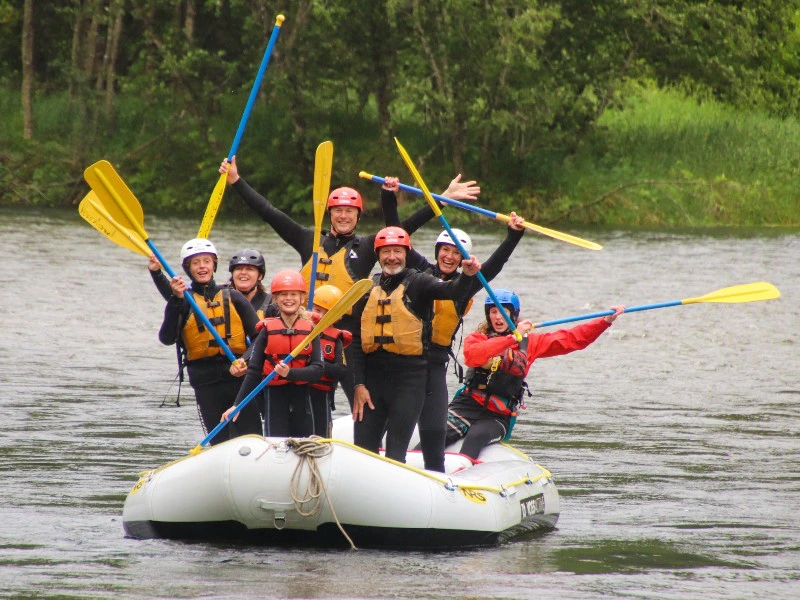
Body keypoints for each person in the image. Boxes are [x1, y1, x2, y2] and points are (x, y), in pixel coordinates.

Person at [219, 156, 480, 405]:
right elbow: (269, 213)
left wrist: (443, 199)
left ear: (358, 216)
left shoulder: (367, 246)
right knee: (296, 391)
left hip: (346, 336)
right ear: (330, 213)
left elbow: (403, 229)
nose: (344, 216)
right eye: (338, 211)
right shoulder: (307, 239)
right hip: (303, 330)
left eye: (350, 211)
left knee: (361, 396)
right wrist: (236, 180)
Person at [350, 226, 482, 464]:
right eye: (386, 251)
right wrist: (358, 384)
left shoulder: (420, 282)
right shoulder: (367, 289)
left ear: (406, 253)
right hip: (372, 381)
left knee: (395, 454)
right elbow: (356, 341)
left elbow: (453, 290)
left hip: (409, 382)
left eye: (397, 251)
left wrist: (468, 276)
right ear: (378, 255)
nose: (392, 257)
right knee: (363, 451)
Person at [406, 215, 526, 472]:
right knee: (412, 425)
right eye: (444, 251)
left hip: (436, 362)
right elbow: (398, 240)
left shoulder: (466, 284)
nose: (449, 257)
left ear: (462, 260)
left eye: (455, 253)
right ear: (437, 252)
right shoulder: (420, 272)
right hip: (408, 359)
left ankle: (450, 478)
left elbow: (494, 267)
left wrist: (513, 235)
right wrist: (389, 197)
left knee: (434, 429)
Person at [444, 289, 624, 459]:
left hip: (498, 415)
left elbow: (571, 339)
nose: (498, 317)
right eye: (493, 312)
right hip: (466, 405)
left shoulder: (531, 343)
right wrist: (512, 338)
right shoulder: (478, 338)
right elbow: (473, 356)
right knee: (436, 435)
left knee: (475, 438)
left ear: (513, 315)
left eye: (504, 311)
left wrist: (605, 321)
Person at [158, 238, 263, 444]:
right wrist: (175, 301)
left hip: (238, 378)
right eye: (195, 263)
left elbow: (261, 336)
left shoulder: (233, 296)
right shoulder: (183, 301)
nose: (202, 267)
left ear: (214, 264)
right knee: (220, 441)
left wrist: (246, 360)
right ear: (187, 268)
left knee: (252, 438)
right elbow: (166, 338)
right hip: (205, 382)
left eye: (206, 261)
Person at [222, 270, 324, 437]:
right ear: (275, 299)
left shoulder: (311, 330)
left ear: (302, 298)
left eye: (293, 294)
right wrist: (237, 405)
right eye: (283, 294)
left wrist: (290, 373)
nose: (288, 298)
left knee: (303, 443)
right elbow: (254, 370)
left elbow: (318, 370)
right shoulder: (267, 330)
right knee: (277, 441)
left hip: (302, 399)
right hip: (274, 398)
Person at [149, 248, 276, 318]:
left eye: (249, 269)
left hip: (254, 363)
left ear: (260, 276)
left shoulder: (271, 303)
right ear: (232, 274)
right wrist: (156, 273)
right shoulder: (217, 295)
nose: (243, 273)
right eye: (238, 269)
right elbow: (179, 297)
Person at [307, 285, 352, 435]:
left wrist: (316, 364)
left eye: (319, 311)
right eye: (314, 309)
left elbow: (341, 370)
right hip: (299, 392)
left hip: (321, 395)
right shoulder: (301, 330)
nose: (314, 314)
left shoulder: (335, 338)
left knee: (321, 432)